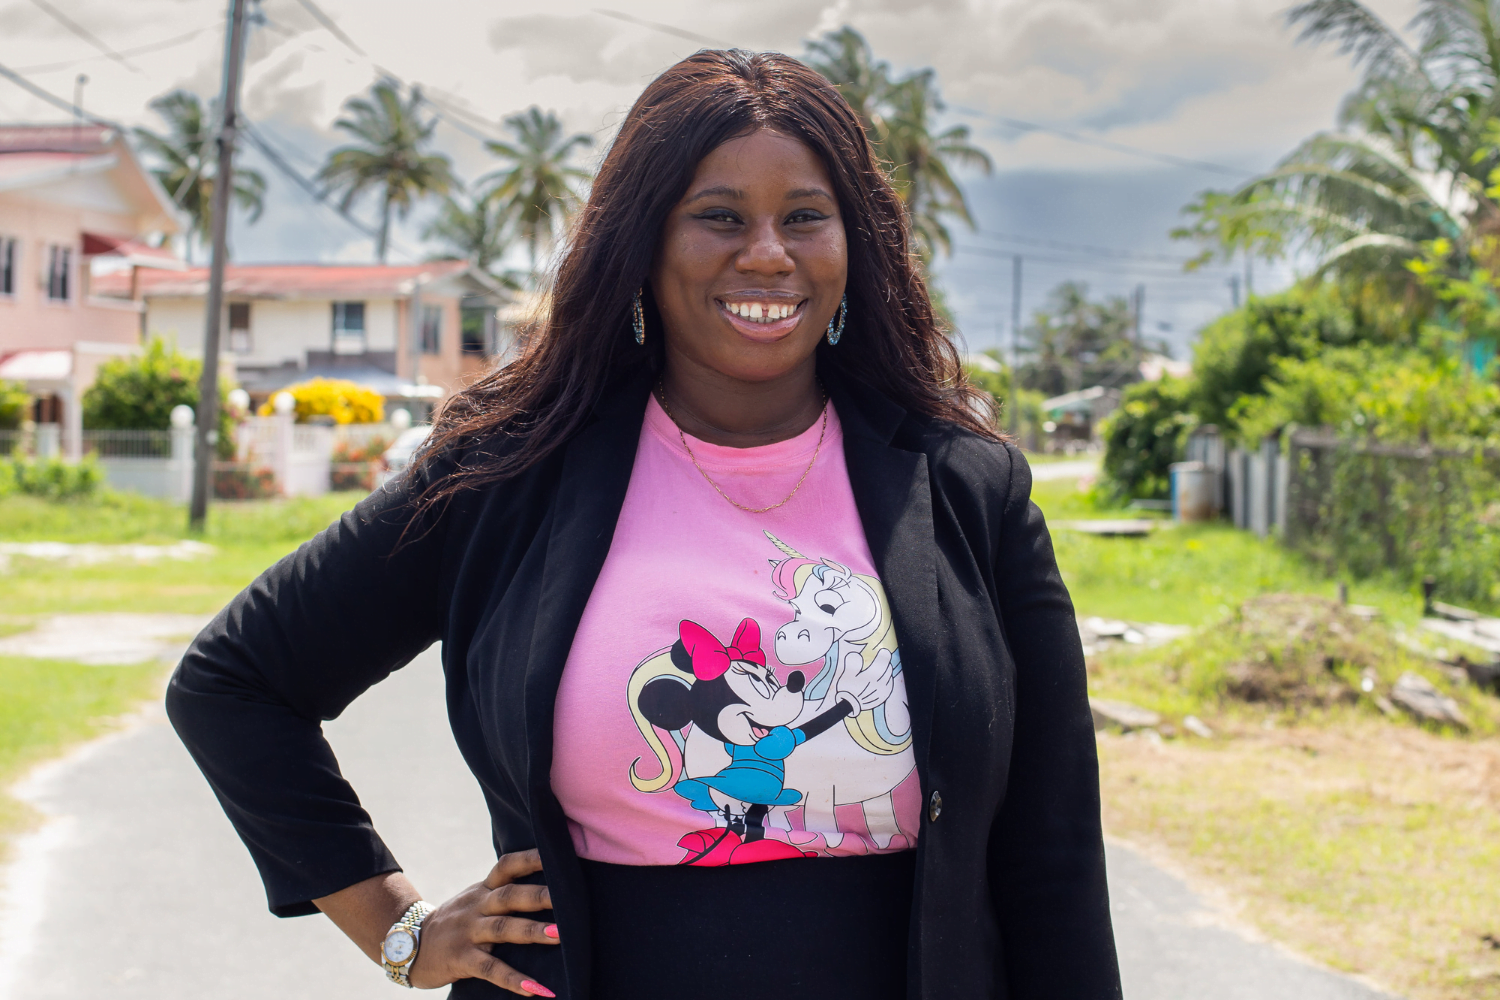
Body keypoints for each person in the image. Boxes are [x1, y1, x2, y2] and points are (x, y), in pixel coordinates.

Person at [168, 49, 1121, 1000]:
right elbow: (236, 683)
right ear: (642, 242)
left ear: (853, 245)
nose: (767, 254)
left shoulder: (965, 486)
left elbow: (1054, 850)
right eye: (718, 216)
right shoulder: (511, 472)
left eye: (804, 217)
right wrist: (401, 930)